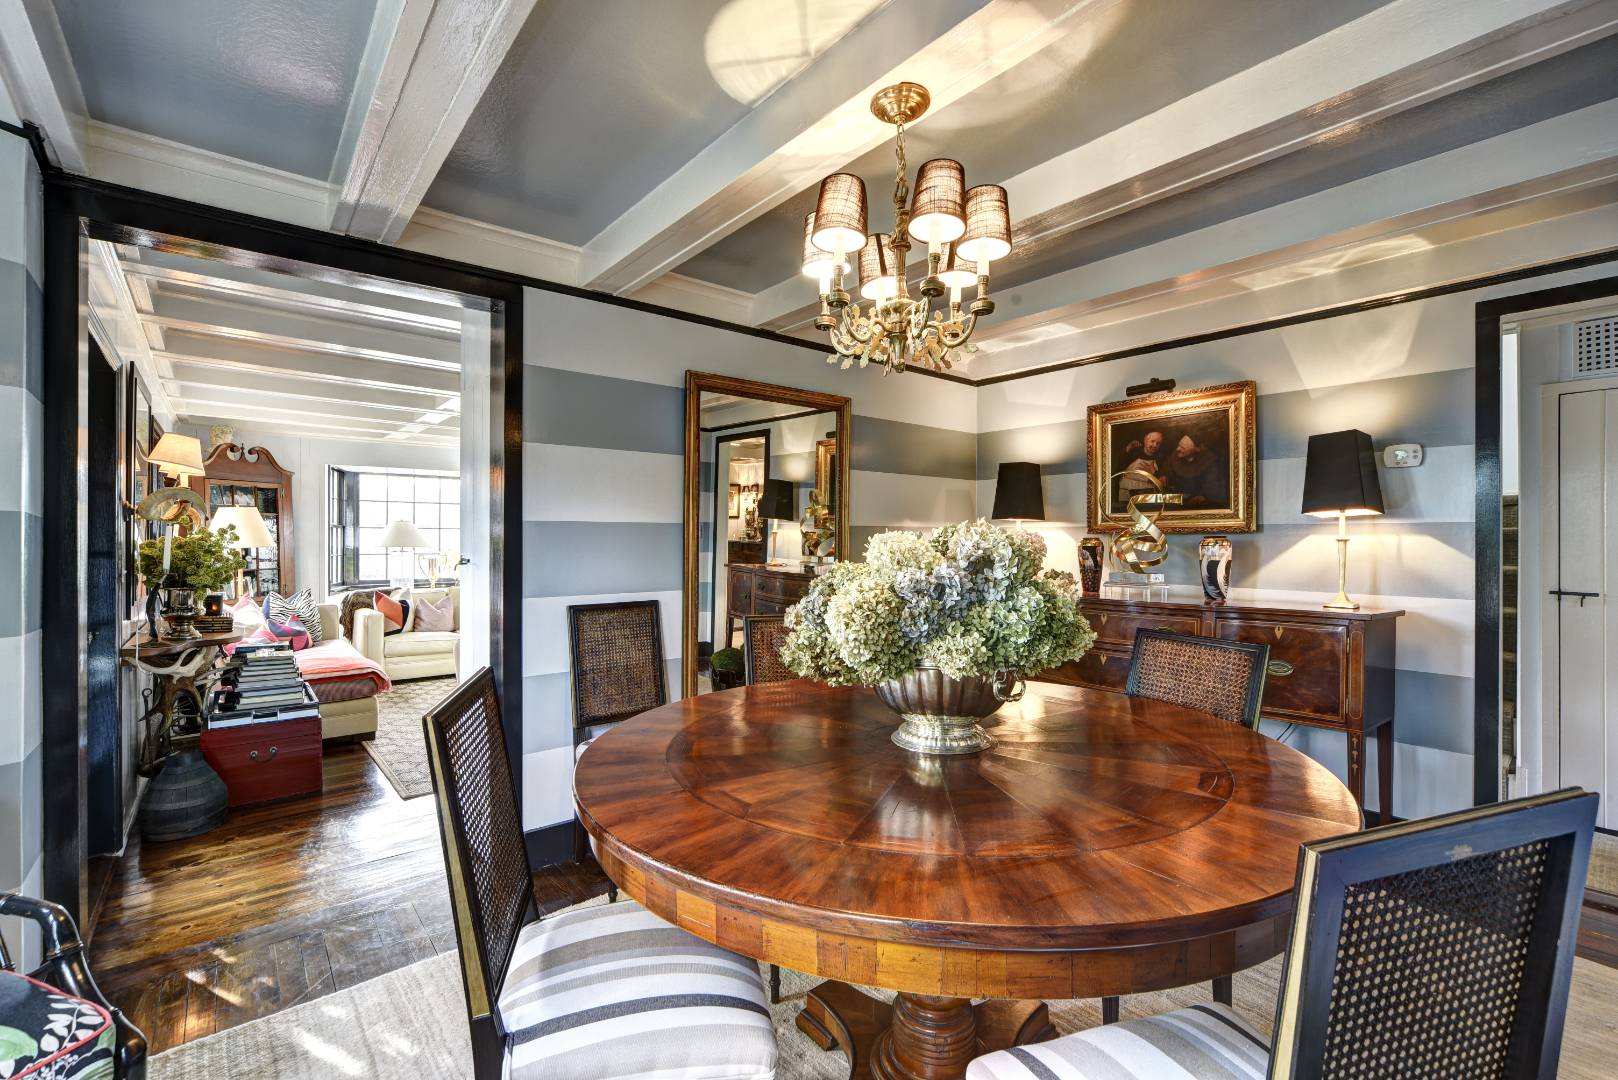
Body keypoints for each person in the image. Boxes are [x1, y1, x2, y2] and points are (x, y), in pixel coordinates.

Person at [1164, 433, 1227, 508]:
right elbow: (1166, 471)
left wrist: (1203, 497)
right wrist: (1163, 476)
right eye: (1179, 445)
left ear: (1196, 449)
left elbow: (1213, 489)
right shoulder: (1175, 455)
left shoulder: (1209, 461)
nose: (1178, 449)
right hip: (1176, 499)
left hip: (1198, 503)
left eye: (1183, 448)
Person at [1116, 429, 1165, 507]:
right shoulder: (1133, 453)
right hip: (1127, 495)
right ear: (1145, 440)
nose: (1155, 445)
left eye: (1158, 443)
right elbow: (1119, 469)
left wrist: (1153, 473)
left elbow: (1162, 482)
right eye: (1152, 441)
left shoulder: (1160, 458)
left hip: (1149, 497)